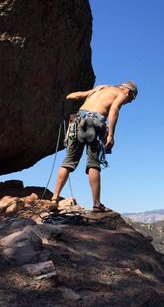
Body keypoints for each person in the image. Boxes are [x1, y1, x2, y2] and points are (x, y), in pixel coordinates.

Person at [51, 81, 138, 212]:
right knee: (93, 163)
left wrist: (66, 96)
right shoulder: (121, 94)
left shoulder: (100, 88)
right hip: (95, 122)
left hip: (77, 121)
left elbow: (78, 96)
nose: (129, 102)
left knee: (68, 161)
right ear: (128, 91)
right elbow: (114, 109)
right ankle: (97, 204)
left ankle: (54, 198)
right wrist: (111, 135)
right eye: (132, 98)